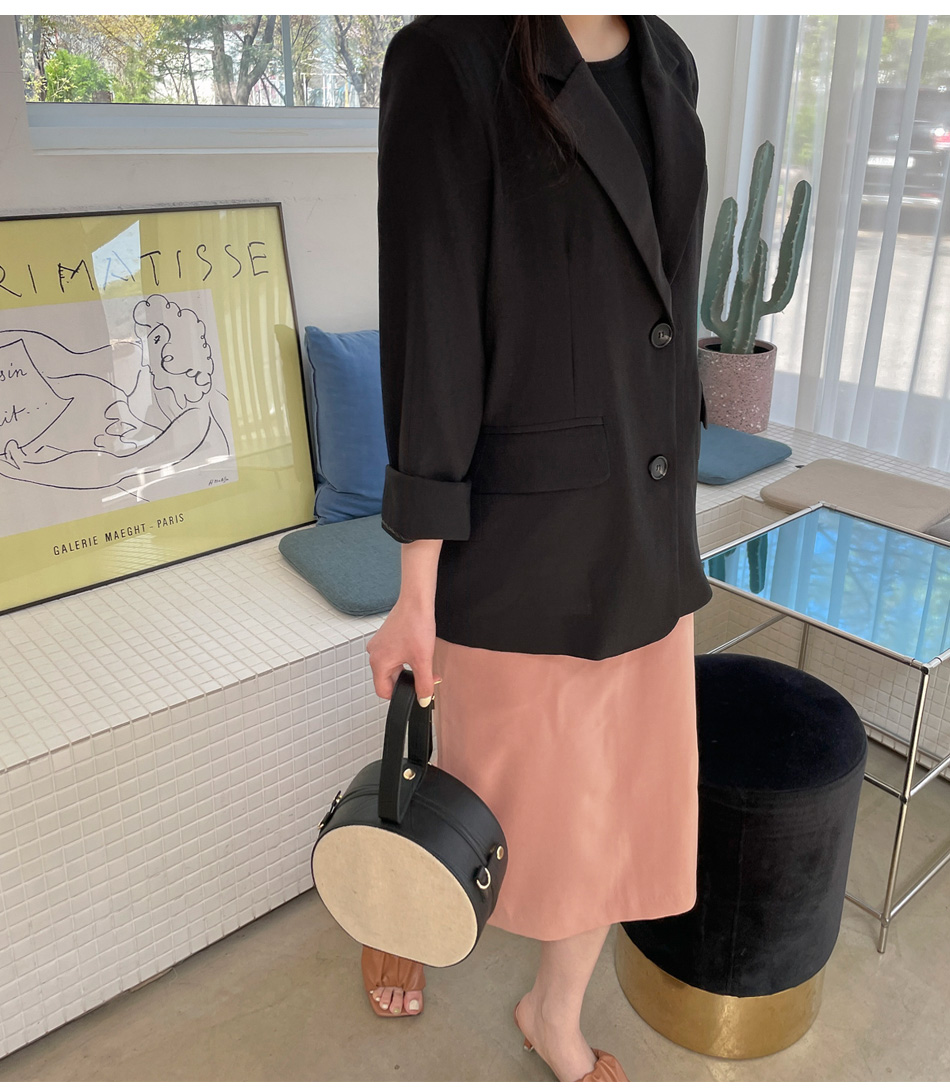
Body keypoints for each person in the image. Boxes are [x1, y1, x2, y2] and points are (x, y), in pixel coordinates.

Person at [365, 14, 711, 1082]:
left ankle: (551, 1014)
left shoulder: (667, 59)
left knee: (615, 811)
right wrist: (414, 588)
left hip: (649, 521)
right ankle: (400, 910)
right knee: (476, 788)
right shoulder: (449, 57)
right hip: (522, 537)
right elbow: (432, 333)